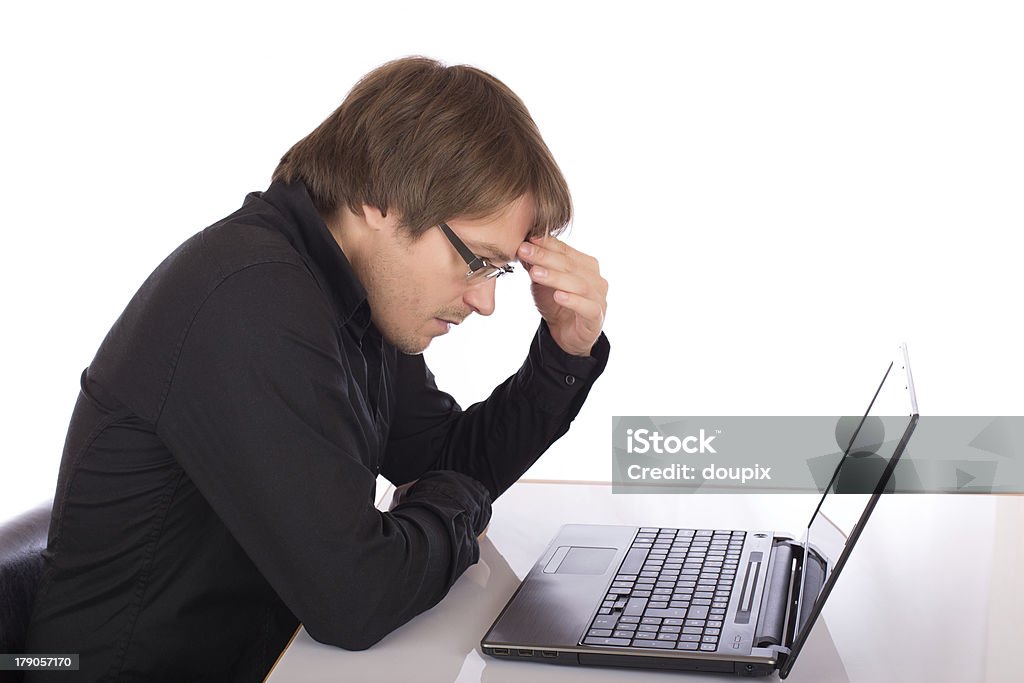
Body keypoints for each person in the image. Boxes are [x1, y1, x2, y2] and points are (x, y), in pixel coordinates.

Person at [23, 56, 609, 682]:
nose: (486, 301)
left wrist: (563, 354)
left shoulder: (348, 291)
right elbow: (357, 598)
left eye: (499, 272)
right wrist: (458, 498)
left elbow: (441, 458)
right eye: (476, 261)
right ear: (380, 198)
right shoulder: (252, 298)